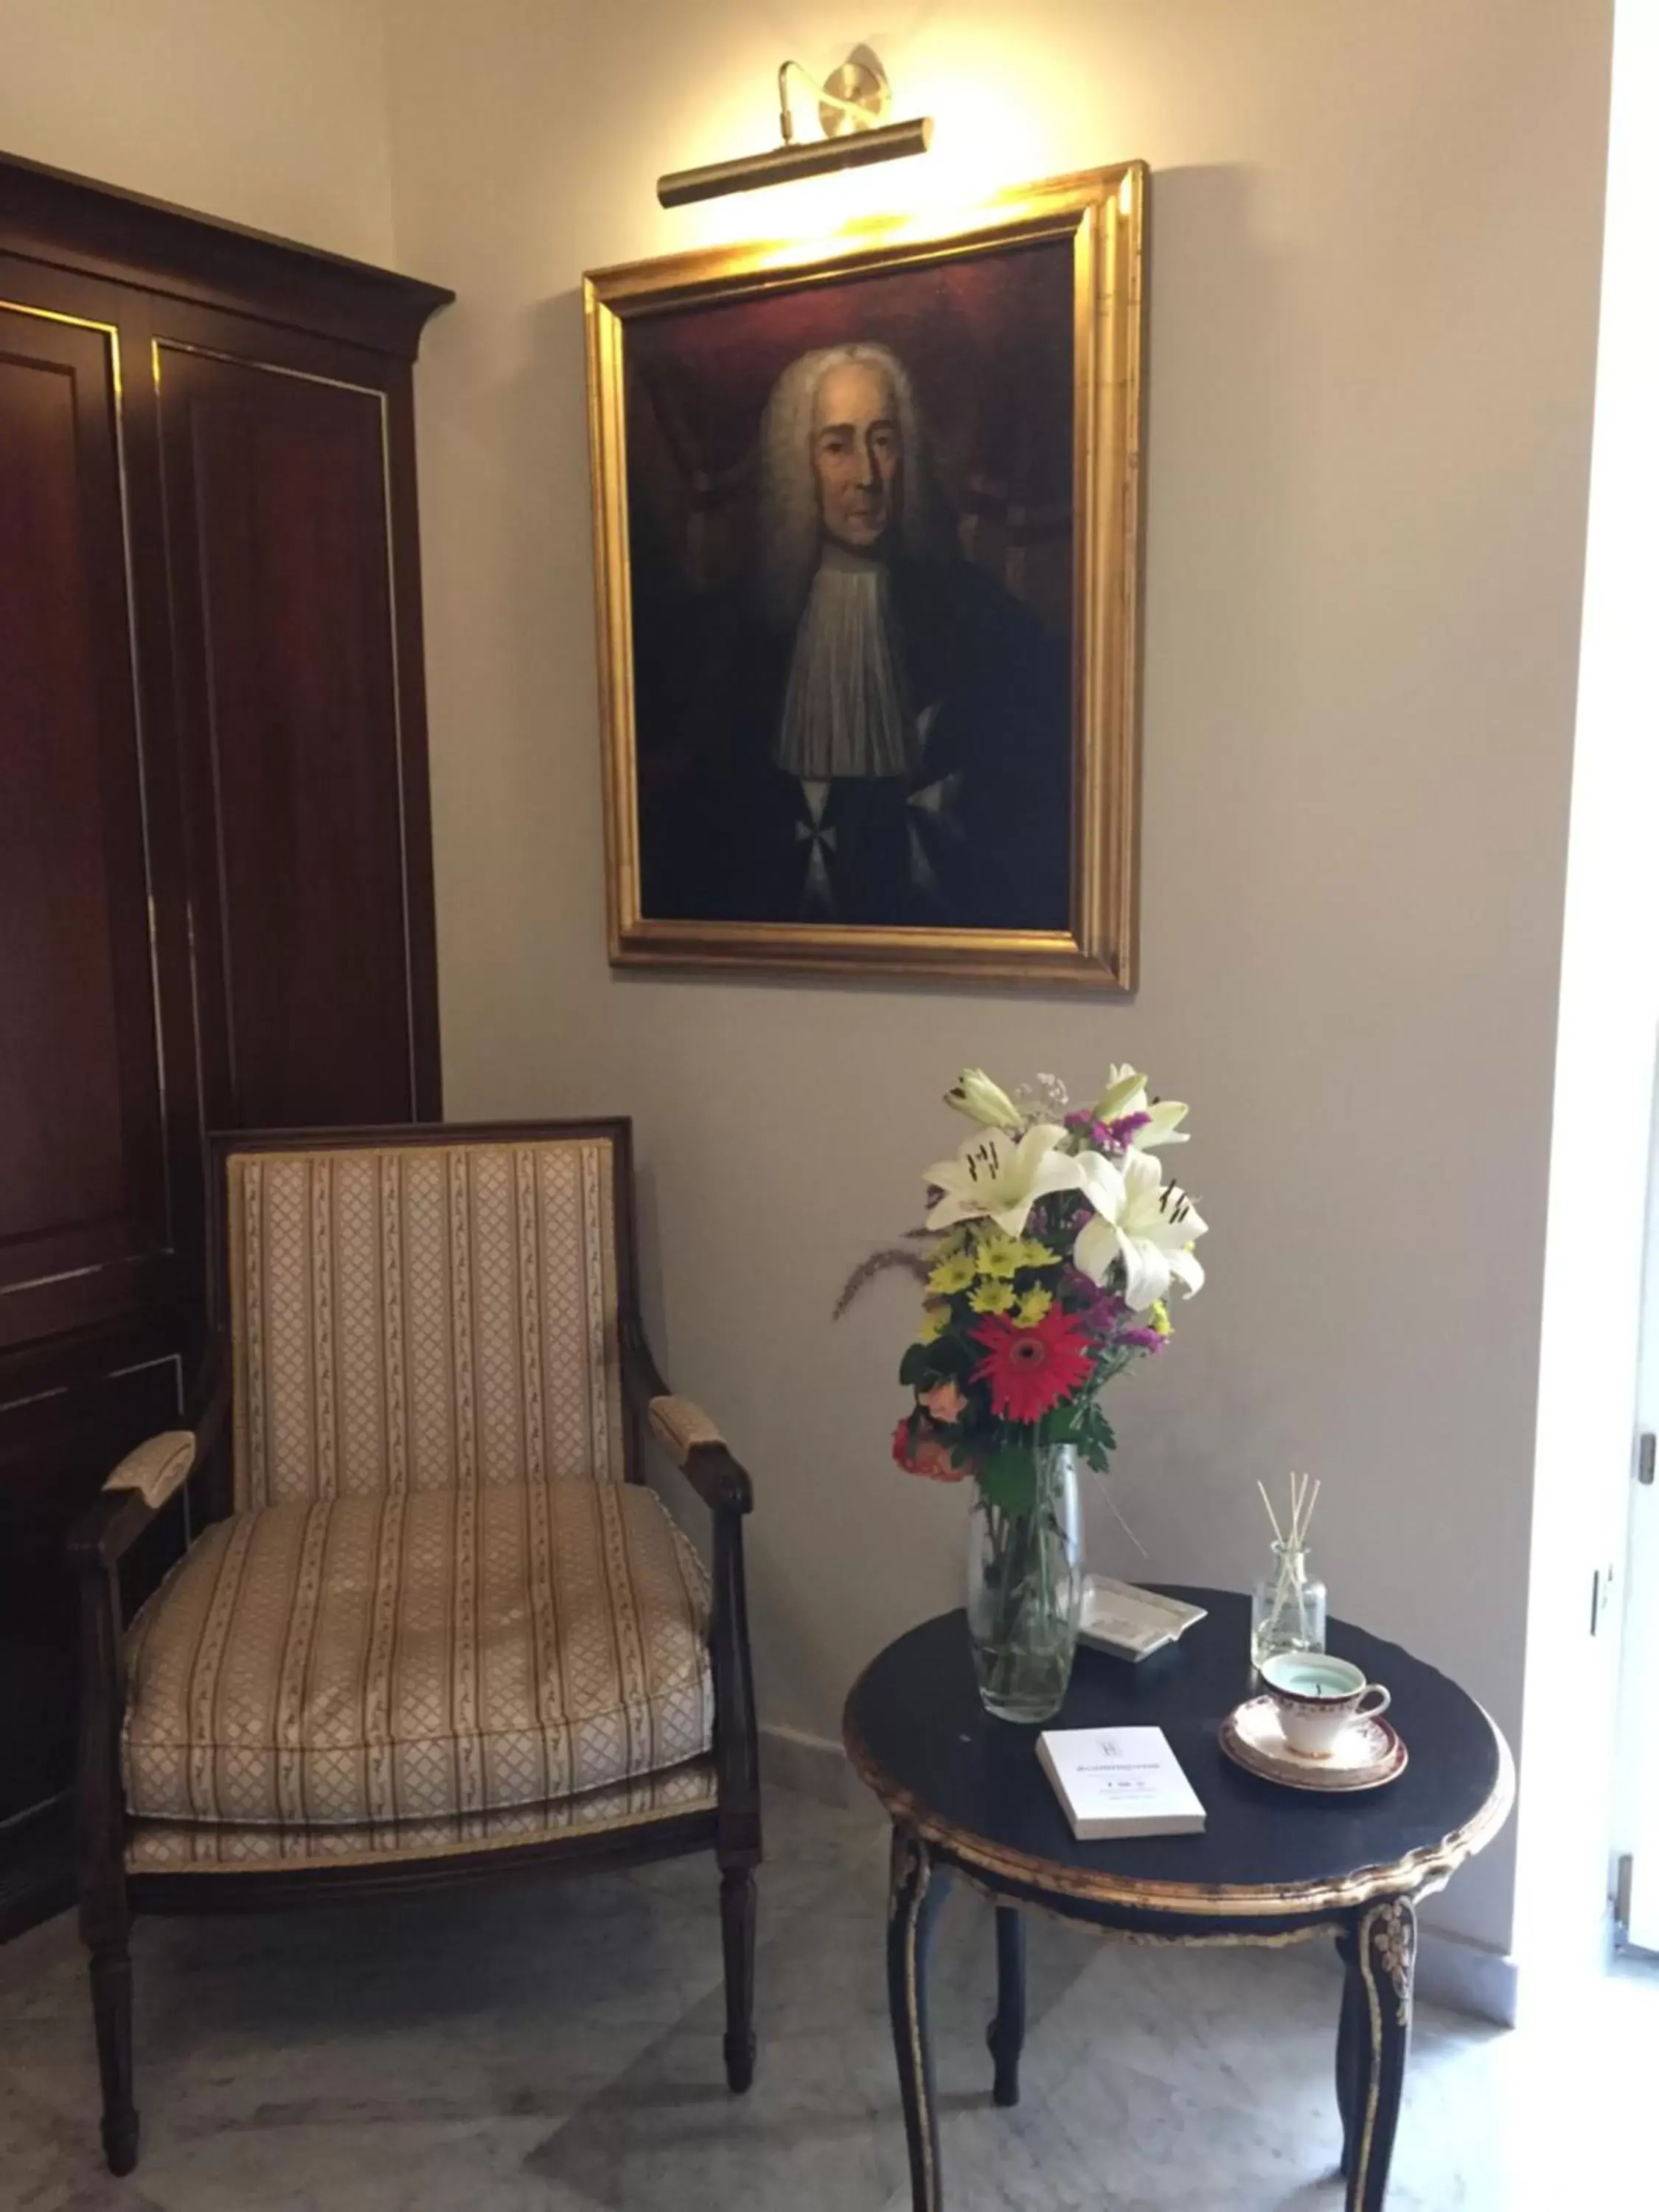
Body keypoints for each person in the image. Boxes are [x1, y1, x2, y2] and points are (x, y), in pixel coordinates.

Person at [636, 341, 1071, 930]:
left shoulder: (975, 616)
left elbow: (1033, 821)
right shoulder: (741, 639)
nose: (866, 475)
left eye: (883, 441)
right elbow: (712, 847)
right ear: (799, 464)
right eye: (837, 446)